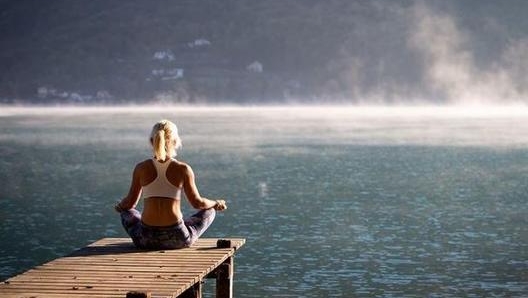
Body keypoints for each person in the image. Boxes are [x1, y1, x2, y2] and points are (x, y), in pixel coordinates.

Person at [114, 119, 227, 249]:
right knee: (209, 211)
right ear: (175, 142)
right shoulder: (183, 169)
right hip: (177, 238)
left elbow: (129, 204)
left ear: (152, 141)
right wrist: (215, 203)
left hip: (145, 239)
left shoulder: (141, 168)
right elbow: (198, 203)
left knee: (126, 213)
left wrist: (120, 206)